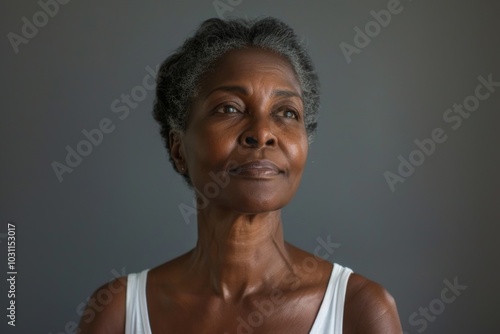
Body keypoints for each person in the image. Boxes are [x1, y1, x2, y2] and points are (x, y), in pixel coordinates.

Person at [78, 17, 402, 334]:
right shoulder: (118, 312)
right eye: (229, 108)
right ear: (179, 149)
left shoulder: (358, 310)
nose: (262, 133)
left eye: (287, 112)